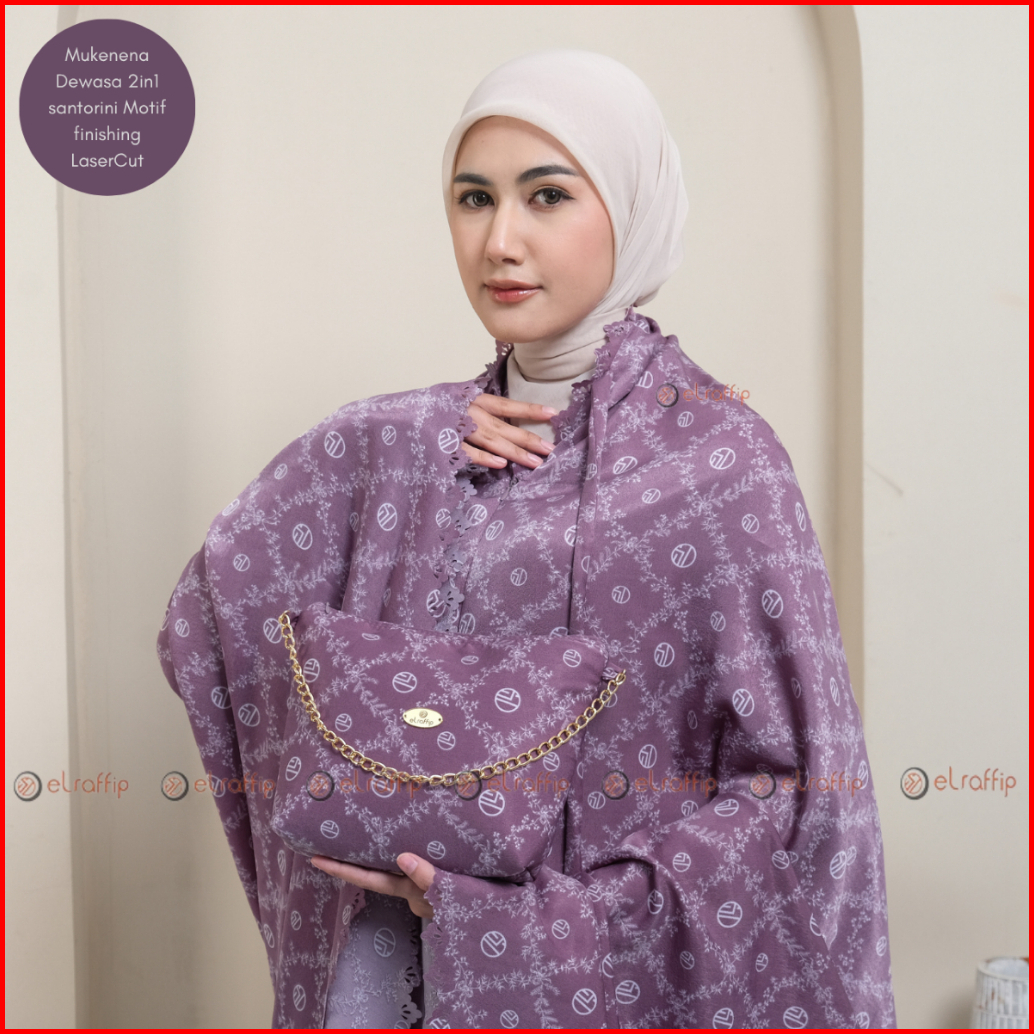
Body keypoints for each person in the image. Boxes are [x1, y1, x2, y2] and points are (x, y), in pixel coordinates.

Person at [158, 50, 896, 1029]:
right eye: (474, 198)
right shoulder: (413, 450)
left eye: (547, 195)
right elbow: (215, 604)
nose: (500, 239)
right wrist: (381, 435)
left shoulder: (720, 459)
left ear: (629, 207)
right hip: (392, 973)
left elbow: (800, 800)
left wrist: (546, 923)